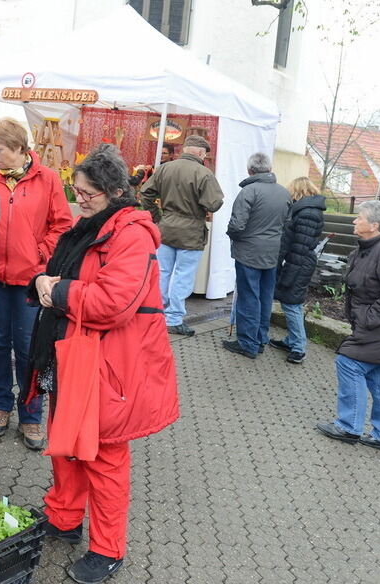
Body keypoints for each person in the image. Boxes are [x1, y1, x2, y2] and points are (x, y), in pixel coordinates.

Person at [28, 144, 178, 584]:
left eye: (88, 193)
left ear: (114, 192)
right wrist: (46, 281)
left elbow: (114, 304)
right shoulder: (94, 225)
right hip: (72, 353)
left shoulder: (130, 235)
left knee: (104, 459)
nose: (79, 200)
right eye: (77, 190)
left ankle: (107, 550)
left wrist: (55, 292)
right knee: (66, 443)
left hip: (108, 366)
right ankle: (64, 517)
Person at [0, 118, 73, 450]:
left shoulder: (47, 179)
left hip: (30, 283)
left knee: (27, 349)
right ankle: (0, 406)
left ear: (20, 149)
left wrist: (40, 255)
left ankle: (31, 415)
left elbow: (62, 225)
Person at [139, 134, 224, 337]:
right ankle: (174, 319)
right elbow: (214, 203)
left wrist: (157, 216)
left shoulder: (165, 168)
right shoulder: (204, 174)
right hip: (191, 231)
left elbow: (145, 193)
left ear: (184, 150)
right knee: (183, 277)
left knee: (163, 272)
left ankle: (156, 313)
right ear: (202, 153)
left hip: (166, 227)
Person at [315, 200, 380, 451]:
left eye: (359, 218)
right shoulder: (364, 249)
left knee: (348, 362)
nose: (354, 221)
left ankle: (349, 426)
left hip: (374, 327)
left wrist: (368, 319)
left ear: (373, 225)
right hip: (367, 325)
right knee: (376, 373)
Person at [223, 152, 290, 359]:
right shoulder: (284, 193)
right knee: (264, 296)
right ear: (269, 169)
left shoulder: (249, 191)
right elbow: (287, 224)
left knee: (248, 297)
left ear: (250, 170)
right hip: (272, 252)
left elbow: (237, 225)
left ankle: (248, 343)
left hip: (249, 252)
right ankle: (260, 338)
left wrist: (232, 235)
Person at [268, 177, 326, 364]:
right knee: (289, 304)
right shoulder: (307, 211)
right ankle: (291, 340)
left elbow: (300, 247)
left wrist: (287, 274)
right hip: (297, 262)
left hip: (299, 264)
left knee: (292, 305)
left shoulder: (308, 213)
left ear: (298, 191)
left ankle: (299, 348)